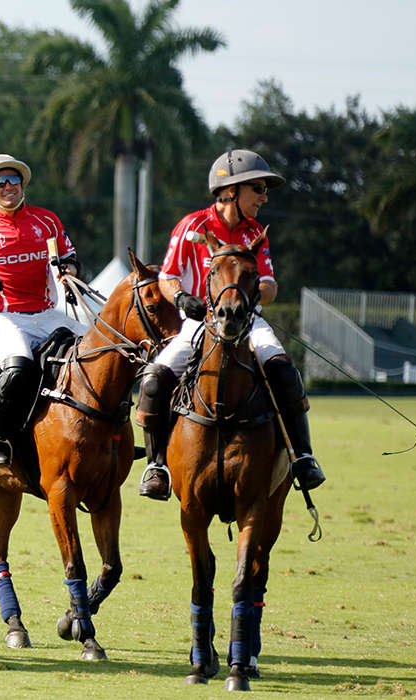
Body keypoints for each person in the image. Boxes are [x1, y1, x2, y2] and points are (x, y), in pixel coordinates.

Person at [136, 149, 326, 501]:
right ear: (231, 190)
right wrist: (180, 299)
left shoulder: (257, 232)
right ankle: (157, 466)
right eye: (258, 188)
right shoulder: (192, 225)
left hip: (248, 321)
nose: (264, 198)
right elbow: (168, 275)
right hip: (200, 322)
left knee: (284, 370)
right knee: (153, 379)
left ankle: (303, 456)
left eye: (265, 190)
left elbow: (269, 284)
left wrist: (257, 293)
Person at [0, 153, 86, 470]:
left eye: (13, 180)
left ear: (21, 184)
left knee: (102, 351)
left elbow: (71, 257)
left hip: (47, 313)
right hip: (4, 317)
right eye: (0, 183)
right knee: (19, 367)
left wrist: (67, 269)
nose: (8, 187)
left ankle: (113, 434)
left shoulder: (47, 221)